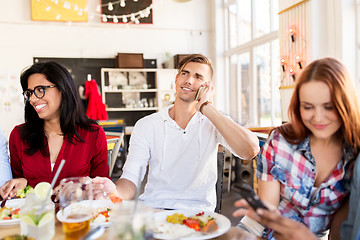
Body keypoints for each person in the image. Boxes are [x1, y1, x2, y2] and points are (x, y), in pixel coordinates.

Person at [93, 54, 260, 211]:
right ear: (176, 79)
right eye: (185, 74)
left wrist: (206, 107)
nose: (189, 80)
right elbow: (131, 178)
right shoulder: (146, 125)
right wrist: (112, 192)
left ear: (208, 87)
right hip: (154, 212)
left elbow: (251, 149)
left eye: (198, 77)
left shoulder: (214, 122)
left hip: (199, 215)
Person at [233, 57, 360, 239]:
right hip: (260, 232)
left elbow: (342, 232)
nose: (318, 117)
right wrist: (266, 215)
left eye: (329, 107)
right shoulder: (280, 142)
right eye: (308, 107)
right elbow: (265, 216)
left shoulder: (355, 158)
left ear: (346, 104)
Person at [0, 61, 109, 199]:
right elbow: (18, 186)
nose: (33, 99)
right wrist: (21, 183)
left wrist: (82, 189)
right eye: (30, 93)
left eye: (40, 90)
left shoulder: (93, 134)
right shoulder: (19, 135)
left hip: (77, 217)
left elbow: (103, 188)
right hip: (36, 218)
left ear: (62, 89)